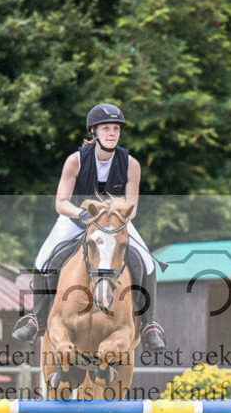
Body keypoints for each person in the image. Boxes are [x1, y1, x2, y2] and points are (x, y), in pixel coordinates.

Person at [12, 103, 167, 351]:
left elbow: (132, 206)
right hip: (76, 221)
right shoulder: (76, 161)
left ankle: (149, 325)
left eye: (116, 128)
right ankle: (37, 318)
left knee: (146, 262)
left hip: (115, 225)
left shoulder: (131, 164)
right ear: (94, 131)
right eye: (106, 128)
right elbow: (60, 203)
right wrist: (83, 214)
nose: (112, 133)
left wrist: (114, 219)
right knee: (44, 259)